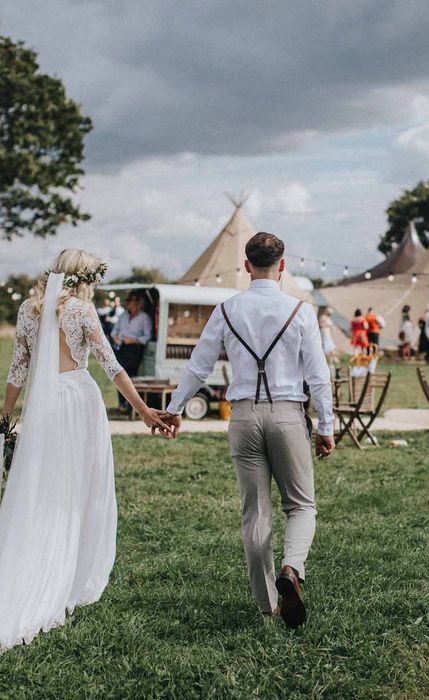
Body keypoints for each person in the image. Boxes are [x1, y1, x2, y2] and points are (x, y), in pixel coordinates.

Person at [160, 232, 334, 629]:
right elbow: (318, 377)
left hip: (242, 417)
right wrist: (326, 425)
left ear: (246, 265)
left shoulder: (226, 309)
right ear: (283, 266)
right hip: (288, 414)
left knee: (255, 513)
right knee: (301, 505)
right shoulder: (300, 311)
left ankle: (267, 603)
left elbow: (198, 367)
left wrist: (174, 409)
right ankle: (291, 568)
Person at [0, 249, 172, 651]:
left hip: (41, 405)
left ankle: (35, 556)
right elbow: (111, 365)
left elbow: (18, 368)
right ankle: (71, 569)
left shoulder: (28, 308)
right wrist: (144, 409)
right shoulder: (81, 311)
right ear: (86, 277)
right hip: (78, 401)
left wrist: (5, 413)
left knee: (41, 484)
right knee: (83, 486)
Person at [111, 292, 153, 410]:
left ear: (138, 303)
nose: (129, 303)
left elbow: (147, 336)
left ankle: (131, 404)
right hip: (122, 348)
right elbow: (114, 332)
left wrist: (134, 340)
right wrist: (117, 339)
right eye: (128, 301)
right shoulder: (123, 316)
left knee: (131, 376)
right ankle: (122, 403)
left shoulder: (144, 317)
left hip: (135, 349)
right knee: (119, 375)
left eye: (132, 301)